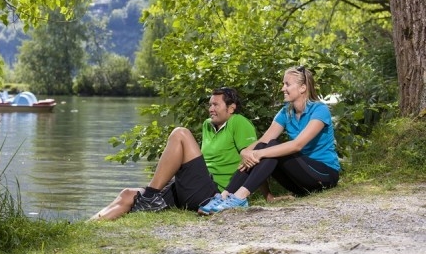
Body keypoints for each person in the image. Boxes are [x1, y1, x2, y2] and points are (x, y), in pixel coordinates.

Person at [90, 87, 272, 221]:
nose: (211, 109)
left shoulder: (239, 122)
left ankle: (150, 195)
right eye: (209, 105)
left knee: (180, 133)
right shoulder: (208, 125)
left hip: (214, 193)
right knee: (127, 194)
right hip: (193, 186)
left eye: (216, 104)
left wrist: (267, 194)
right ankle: (89, 225)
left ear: (231, 108)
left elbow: (253, 160)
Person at [198, 66, 340, 215]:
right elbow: (265, 139)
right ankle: (225, 195)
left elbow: (297, 145)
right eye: (283, 84)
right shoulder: (286, 112)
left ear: (303, 88)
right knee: (263, 145)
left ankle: (239, 197)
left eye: (287, 84)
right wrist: (247, 152)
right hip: (299, 183)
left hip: (323, 176)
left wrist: (259, 154)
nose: (282, 88)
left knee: (271, 147)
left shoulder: (319, 110)